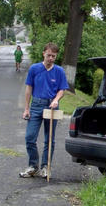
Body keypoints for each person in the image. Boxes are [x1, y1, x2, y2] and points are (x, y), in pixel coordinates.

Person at [19, 42, 69, 179]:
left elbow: (62, 89)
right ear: (43, 54)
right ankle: (33, 166)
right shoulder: (34, 69)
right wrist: (26, 108)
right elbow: (28, 89)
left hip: (51, 107)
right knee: (30, 137)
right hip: (36, 105)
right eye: (49, 55)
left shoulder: (59, 71)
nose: (51, 58)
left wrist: (56, 100)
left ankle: (45, 167)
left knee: (49, 139)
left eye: (53, 56)